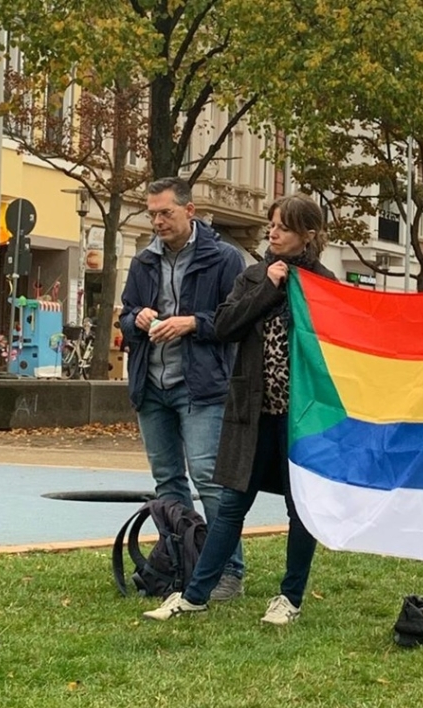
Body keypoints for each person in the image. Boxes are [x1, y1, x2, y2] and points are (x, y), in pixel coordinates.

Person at [143, 193, 336, 625]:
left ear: (307, 235)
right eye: (272, 224)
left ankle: (290, 597)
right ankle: (195, 595)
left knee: (299, 508)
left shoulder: (324, 284)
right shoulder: (254, 278)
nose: (273, 232)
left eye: (283, 227)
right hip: (253, 414)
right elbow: (227, 327)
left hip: (303, 420)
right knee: (232, 504)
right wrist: (269, 287)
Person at [120, 177, 245, 601]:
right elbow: (126, 317)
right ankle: (180, 561)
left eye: (165, 213)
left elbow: (236, 321)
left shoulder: (224, 258)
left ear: (189, 211)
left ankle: (230, 571)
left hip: (201, 388)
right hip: (151, 386)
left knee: (209, 480)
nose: (157, 221)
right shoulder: (143, 263)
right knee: (167, 482)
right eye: (152, 213)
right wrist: (135, 320)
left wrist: (193, 323)